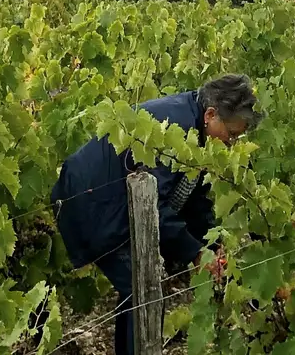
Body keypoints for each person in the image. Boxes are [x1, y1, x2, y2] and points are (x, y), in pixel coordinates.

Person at [51, 74, 261, 355]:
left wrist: (212, 244)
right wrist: (196, 254)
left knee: (138, 292)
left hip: (114, 204)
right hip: (93, 205)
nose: (232, 143)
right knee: (143, 290)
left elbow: (192, 197)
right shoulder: (177, 128)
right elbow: (153, 208)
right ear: (211, 115)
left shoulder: (196, 127)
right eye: (232, 134)